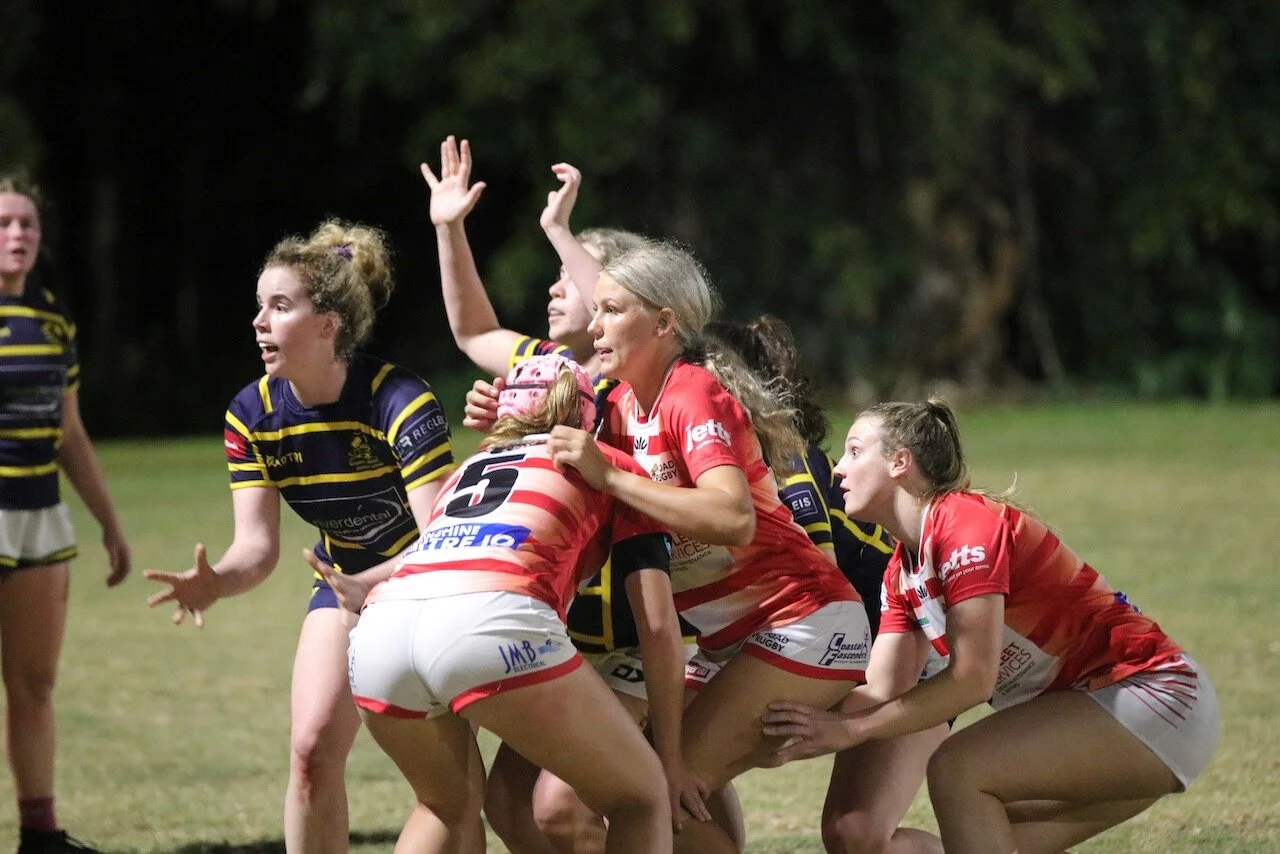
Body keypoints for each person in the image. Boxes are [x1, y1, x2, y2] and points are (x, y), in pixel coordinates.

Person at [762, 398, 1220, 854]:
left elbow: (972, 679)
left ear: (900, 462)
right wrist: (779, 723)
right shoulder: (902, 571)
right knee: (986, 835)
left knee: (958, 768)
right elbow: (883, 686)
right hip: (1102, 713)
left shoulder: (964, 525)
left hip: (1155, 697)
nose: (840, 469)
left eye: (855, 451)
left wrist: (852, 730)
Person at [541, 236, 872, 854]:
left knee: (652, 794)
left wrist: (612, 477)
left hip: (807, 623)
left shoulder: (691, 392)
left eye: (612, 310)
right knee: (610, 790)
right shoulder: (619, 408)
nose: (594, 325)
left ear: (664, 323)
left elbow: (732, 517)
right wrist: (504, 409)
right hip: (727, 641)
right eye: (596, 309)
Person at [142, 220, 458, 854]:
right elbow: (257, 548)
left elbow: (442, 541)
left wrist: (373, 586)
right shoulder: (251, 415)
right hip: (342, 585)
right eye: (259, 306)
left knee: (451, 786)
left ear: (327, 324)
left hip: (432, 588)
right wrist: (216, 582)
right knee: (311, 750)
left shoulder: (399, 399)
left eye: (279, 306)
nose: (259, 322)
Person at [424, 137, 685, 854]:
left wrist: (560, 229)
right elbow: (474, 329)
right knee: (510, 805)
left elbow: (613, 307)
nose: (554, 288)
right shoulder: (542, 370)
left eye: (569, 276)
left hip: (640, 633)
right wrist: (449, 229)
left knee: (566, 804)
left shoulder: (632, 377)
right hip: (561, 633)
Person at [342, 353, 697, 854]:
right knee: (640, 797)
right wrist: (673, 756)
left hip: (380, 631)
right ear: (586, 416)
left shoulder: (466, 470)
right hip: (491, 616)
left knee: (443, 808)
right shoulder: (607, 465)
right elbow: (657, 625)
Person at [706, 318, 947, 854]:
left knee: (856, 834)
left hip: (902, 658)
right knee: (680, 752)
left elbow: (821, 597)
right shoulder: (694, 465)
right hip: (827, 649)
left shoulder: (788, 461)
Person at [0, 174, 131, 854]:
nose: (17, 234)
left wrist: (108, 522)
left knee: (35, 683)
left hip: (39, 518)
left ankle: (40, 835)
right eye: (3, 223)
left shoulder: (52, 322)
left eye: (27, 223)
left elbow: (70, 433)